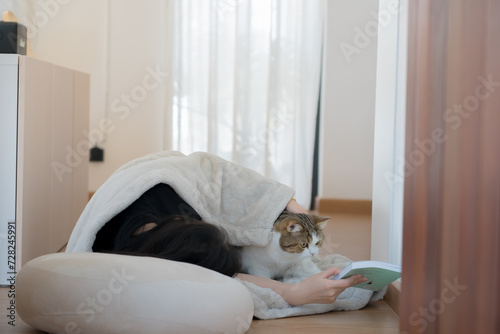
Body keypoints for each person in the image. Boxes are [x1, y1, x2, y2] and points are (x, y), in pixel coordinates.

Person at [70, 151, 367, 306]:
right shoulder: (106, 246)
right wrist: (294, 292)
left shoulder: (177, 203)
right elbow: (232, 275)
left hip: (163, 174)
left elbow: (217, 172)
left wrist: (291, 204)